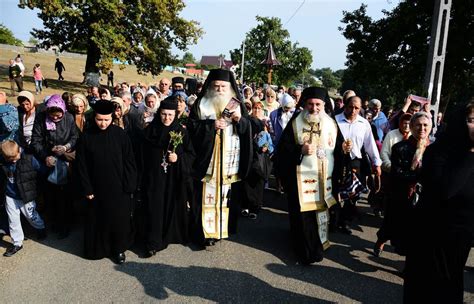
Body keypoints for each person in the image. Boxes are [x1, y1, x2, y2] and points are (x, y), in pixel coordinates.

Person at [404, 102, 474, 303]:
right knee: (428, 288)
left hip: (461, 236)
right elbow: (446, 190)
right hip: (433, 232)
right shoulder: (439, 151)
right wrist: (470, 153)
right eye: (471, 121)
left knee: (451, 286)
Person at [187, 68, 252, 248]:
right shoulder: (201, 104)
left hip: (229, 161)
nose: (220, 89)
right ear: (210, 86)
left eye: (223, 86)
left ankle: (222, 229)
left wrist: (240, 121)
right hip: (207, 160)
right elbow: (191, 127)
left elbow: (248, 128)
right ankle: (205, 232)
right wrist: (210, 125)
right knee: (205, 195)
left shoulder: (237, 104)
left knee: (226, 195)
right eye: (216, 86)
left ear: (230, 87)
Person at [274, 87, 338, 264]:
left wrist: (345, 151)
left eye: (318, 104)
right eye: (310, 104)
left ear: (324, 105)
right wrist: (299, 150)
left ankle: (316, 247)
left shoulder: (331, 124)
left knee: (319, 214)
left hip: (323, 179)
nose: (314, 108)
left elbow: (337, 151)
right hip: (299, 179)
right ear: (304, 104)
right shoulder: (295, 122)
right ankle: (304, 250)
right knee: (302, 216)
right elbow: (282, 150)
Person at [76, 100, 137, 264]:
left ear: (112, 118)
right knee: (98, 219)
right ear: (94, 118)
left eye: (106, 120)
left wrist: (129, 185)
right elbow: (81, 165)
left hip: (119, 187)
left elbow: (129, 161)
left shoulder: (120, 134)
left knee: (118, 220)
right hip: (96, 188)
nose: (103, 123)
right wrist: (87, 188)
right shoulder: (86, 136)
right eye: (99, 119)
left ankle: (118, 250)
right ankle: (99, 249)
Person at [141, 97, 194, 257]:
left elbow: (191, 154)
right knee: (154, 207)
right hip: (154, 177)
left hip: (173, 177)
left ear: (175, 115)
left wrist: (178, 158)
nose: (167, 118)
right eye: (164, 114)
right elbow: (141, 155)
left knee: (172, 204)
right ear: (159, 114)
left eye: (170, 115)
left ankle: (171, 234)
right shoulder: (150, 131)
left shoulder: (181, 131)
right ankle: (153, 242)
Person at [374, 112, 432, 256]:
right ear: (411, 127)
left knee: (414, 232)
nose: (422, 128)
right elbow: (398, 172)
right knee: (391, 223)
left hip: (423, 197)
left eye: (425, 125)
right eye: (418, 125)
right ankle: (380, 241)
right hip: (400, 193)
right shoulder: (400, 147)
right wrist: (419, 175)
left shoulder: (433, 149)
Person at [30, 94, 78, 239]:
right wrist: (46, 156)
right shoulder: (41, 118)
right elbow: (35, 141)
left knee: (65, 195)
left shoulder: (69, 118)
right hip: (48, 161)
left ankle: (66, 224)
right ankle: (55, 221)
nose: (56, 119)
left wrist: (65, 147)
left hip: (65, 159)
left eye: (59, 116)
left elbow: (75, 136)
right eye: (53, 116)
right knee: (51, 194)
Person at [332, 96, 382, 234]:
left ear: (360, 109)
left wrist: (376, 163)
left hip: (355, 162)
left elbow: (370, 144)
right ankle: (333, 219)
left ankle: (345, 221)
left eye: (357, 108)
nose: (353, 110)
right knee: (334, 190)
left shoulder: (364, 123)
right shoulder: (335, 120)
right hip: (337, 161)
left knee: (353, 194)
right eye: (350, 107)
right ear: (345, 106)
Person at [1, 140, 47, 257]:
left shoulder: (29, 159)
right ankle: (17, 242)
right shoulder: (4, 162)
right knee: (13, 219)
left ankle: (40, 227)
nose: (14, 160)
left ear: (19, 150)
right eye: (10, 160)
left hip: (26, 195)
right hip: (10, 195)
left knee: (31, 215)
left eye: (16, 157)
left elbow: (42, 170)